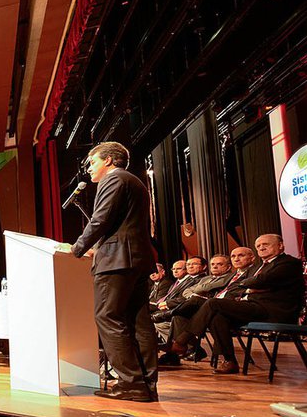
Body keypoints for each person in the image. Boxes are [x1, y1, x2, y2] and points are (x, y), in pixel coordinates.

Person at [70, 141, 158, 402]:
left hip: (118, 260)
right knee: (139, 322)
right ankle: (146, 384)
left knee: (108, 317)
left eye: (93, 162)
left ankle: (131, 383)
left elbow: (101, 219)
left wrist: (78, 247)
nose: (90, 169)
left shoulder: (114, 179)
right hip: (137, 260)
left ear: (108, 160)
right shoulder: (134, 181)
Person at [166, 234, 305, 374]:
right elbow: (248, 282)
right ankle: (230, 361)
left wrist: (251, 284)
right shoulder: (257, 267)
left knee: (213, 303)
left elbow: (262, 280)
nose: (261, 248)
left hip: (273, 311)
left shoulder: (289, 262)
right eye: (258, 246)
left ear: (280, 245)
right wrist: (253, 285)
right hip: (254, 306)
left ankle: (181, 342)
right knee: (217, 317)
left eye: (266, 244)